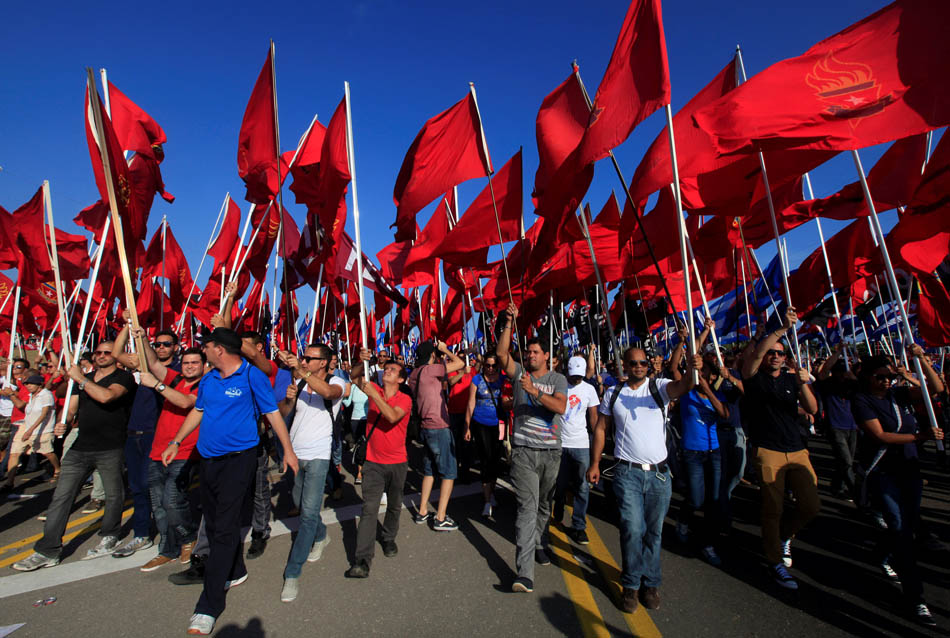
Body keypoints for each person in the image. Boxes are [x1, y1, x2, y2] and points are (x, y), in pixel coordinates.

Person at [159, 327, 298, 636]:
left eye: (206, 347)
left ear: (219, 349)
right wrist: (176, 440)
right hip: (209, 461)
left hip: (240, 459)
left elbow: (273, 415)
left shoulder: (252, 377)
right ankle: (235, 570)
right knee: (213, 517)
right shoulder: (208, 379)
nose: (202, 352)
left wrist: (288, 451)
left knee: (222, 527)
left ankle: (208, 606)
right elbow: (198, 411)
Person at [587, 342, 699, 613]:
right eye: (633, 363)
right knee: (632, 530)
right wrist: (595, 463)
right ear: (624, 366)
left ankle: (651, 583)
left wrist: (692, 371)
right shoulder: (613, 393)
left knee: (653, 533)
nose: (639, 367)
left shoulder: (658, 387)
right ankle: (631, 585)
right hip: (627, 474)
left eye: (643, 363)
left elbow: (683, 387)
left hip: (660, 476)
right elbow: (601, 428)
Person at [13, 343, 136, 570]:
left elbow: (107, 397)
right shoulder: (84, 378)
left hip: (110, 446)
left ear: (116, 356)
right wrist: (64, 423)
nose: (101, 356)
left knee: (113, 494)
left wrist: (81, 379)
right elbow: (71, 408)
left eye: (107, 352)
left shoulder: (123, 378)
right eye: (98, 352)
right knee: (62, 497)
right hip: (79, 448)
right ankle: (48, 549)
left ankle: (110, 534)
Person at [852, 349, 944, 627]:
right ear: (868, 377)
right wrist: (920, 436)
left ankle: (882, 553)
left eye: (890, 377)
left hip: (909, 471)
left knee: (904, 524)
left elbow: (937, 388)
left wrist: (921, 361)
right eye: (881, 377)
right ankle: (916, 598)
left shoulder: (899, 395)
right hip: (883, 473)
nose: (886, 382)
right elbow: (880, 435)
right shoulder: (862, 400)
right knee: (901, 528)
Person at [740, 307, 820, 590]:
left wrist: (803, 384)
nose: (775, 356)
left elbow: (812, 409)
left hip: (797, 450)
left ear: (786, 357)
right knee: (772, 508)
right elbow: (755, 358)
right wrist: (780, 329)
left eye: (780, 353)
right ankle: (774, 560)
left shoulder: (791, 379)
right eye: (772, 352)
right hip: (769, 450)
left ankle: (784, 536)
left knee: (810, 505)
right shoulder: (754, 377)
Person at [496, 303, 568, 594]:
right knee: (526, 509)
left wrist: (535, 391)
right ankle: (524, 573)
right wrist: (509, 323)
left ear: (547, 356)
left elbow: (559, 407)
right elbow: (502, 355)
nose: (530, 355)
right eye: (528, 352)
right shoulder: (519, 374)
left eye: (535, 352)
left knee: (543, 506)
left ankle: (539, 542)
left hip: (551, 454)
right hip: (524, 452)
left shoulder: (557, 379)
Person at [276, 344, 345, 602]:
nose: (304, 361)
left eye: (309, 358)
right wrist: (289, 398)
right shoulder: (301, 382)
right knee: (299, 504)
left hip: (318, 455)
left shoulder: (336, 381)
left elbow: (328, 392)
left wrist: (299, 371)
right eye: (303, 357)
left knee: (306, 515)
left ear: (324, 362)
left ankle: (292, 573)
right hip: (295, 453)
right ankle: (321, 535)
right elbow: (284, 412)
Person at [137, 339, 206, 573]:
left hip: (185, 451)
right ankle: (167, 550)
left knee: (172, 501)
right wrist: (142, 337)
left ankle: (188, 537)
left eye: (195, 362)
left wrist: (157, 386)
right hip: (158, 451)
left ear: (204, 366)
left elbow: (186, 402)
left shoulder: (205, 386)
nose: (189, 366)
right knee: (159, 507)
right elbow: (154, 362)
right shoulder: (175, 379)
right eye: (186, 362)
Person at [345, 349, 411, 579]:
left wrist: (375, 395)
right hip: (373, 462)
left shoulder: (405, 398)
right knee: (369, 509)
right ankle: (362, 560)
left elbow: (392, 417)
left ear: (400, 379)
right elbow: (353, 377)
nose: (388, 370)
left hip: (397, 462)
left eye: (393, 370)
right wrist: (360, 361)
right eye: (386, 368)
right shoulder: (375, 389)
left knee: (394, 506)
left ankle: (389, 537)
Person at [674, 359, 729, 566]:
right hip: (692, 453)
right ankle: (683, 519)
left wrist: (708, 390)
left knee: (713, 501)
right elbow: (673, 368)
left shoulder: (718, 396)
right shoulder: (687, 394)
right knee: (696, 498)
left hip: (713, 452)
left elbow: (724, 413)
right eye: (699, 372)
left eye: (705, 372)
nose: (701, 376)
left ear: (713, 376)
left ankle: (708, 544)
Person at [409, 339, 465, 531]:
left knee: (429, 470)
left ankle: (422, 510)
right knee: (448, 472)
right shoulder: (430, 370)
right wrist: (446, 349)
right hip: (439, 427)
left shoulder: (415, 374)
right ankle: (440, 517)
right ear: (432, 355)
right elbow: (460, 364)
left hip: (425, 426)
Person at [552, 355, 599, 545]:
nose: (576, 379)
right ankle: (559, 507)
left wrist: (597, 440)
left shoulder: (589, 389)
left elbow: (593, 416)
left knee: (582, 486)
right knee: (560, 484)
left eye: (579, 376)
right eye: (573, 376)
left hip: (581, 444)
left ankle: (579, 526)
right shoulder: (560, 384)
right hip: (561, 443)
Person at [464, 353, 508, 518]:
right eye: (487, 365)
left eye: (493, 366)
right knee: (485, 458)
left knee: (495, 459)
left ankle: (492, 490)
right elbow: (470, 403)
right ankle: (487, 499)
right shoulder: (477, 379)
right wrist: (467, 426)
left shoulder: (503, 379)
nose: (490, 369)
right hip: (480, 423)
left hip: (499, 424)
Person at [815, 345, 859, 500]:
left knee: (846, 461)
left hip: (853, 427)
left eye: (844, 372)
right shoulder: (827, 384)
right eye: (839, 372)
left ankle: (837, 487)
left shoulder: (852, 385)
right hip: (835, 427)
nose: (842, 375)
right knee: (846, 461)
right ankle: (858, 493)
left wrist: (852, 376)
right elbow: (824, 370)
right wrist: (839, 351)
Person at [4, 374, 58, 490]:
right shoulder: (31, 396)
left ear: (40, 385)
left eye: (31, 384)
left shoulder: (46, 395)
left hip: (43, 429)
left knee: (47, 452)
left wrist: (31, 430)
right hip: (26, 426)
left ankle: (57, 469)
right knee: (14, 453)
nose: (28, 386)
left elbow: (44, 414)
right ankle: (9, 482)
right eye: (26, 384)